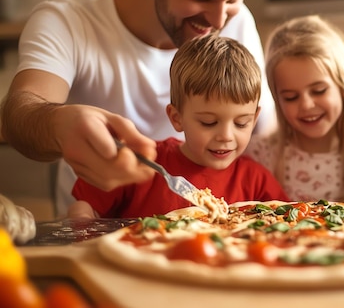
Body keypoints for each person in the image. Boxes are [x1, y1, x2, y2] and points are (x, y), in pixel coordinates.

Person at [0, 0, 276, 217]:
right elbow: (18, 115)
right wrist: (57, 125)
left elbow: (266, 134)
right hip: (99, 229)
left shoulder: (237, 20)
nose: (219, 21)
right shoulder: (68, 20)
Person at [68, 34, 289, 219]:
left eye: (241, 123)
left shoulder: (256, 180)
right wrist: (84, 226)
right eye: (208, 122)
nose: (226, 136)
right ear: (177, 117)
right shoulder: (145, 164)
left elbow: (292, 222)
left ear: (255, 117)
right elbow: (85, 207)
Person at [245, 15, 344, 203]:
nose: (306, 105)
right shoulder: (258, 155)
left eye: (319, 91)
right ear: (277, 100)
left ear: (343, 87)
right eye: (291, 97)